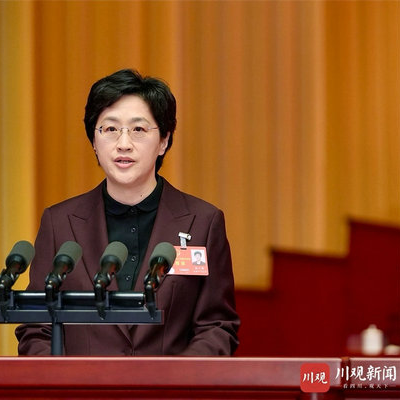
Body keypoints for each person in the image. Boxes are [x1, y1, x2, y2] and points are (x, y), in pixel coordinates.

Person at [15, 69, 239, 356]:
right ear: (94, 141)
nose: (123, 144)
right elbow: (36, 329)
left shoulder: (203, 223)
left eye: (138, 130)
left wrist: (179, 379)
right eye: (110, 129)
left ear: (164, 140)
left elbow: (217, 327)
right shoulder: (59, 223)